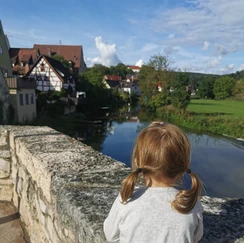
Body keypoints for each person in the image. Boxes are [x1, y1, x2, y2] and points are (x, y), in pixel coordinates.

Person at [103, 122, 203, 243]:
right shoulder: (190, 204)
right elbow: (196, 237)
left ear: (137, 162)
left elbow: (111, 236)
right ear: (185, 166)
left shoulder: (127, 198)